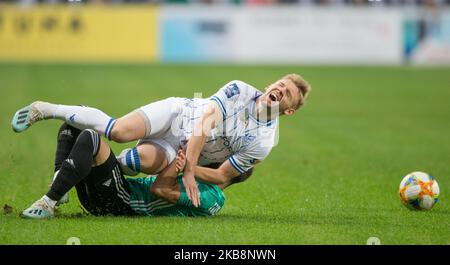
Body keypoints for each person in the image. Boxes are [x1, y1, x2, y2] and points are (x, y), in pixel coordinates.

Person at [12, 74, 311, 207]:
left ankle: (63, 181)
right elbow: (204, 124)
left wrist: (182, 166)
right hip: (176, 114)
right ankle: (46, 109)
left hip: (174, 151)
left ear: (290, 110)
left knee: (130, 163)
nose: (281, 90)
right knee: (117, 131)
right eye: (280, 84)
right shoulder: (239, 89)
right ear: (271, 84)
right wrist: (190, 170)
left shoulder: (264, 142)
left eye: (288, 94)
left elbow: (222, 176)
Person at [20, 123, 244, 219]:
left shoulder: (208, 197)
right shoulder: (204, 187)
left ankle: (48, 202)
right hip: (115, 192)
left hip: (121, 200)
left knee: (90, 137)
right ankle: (61, 183)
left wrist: (176, 164)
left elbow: (160, 190)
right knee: (73, 125)